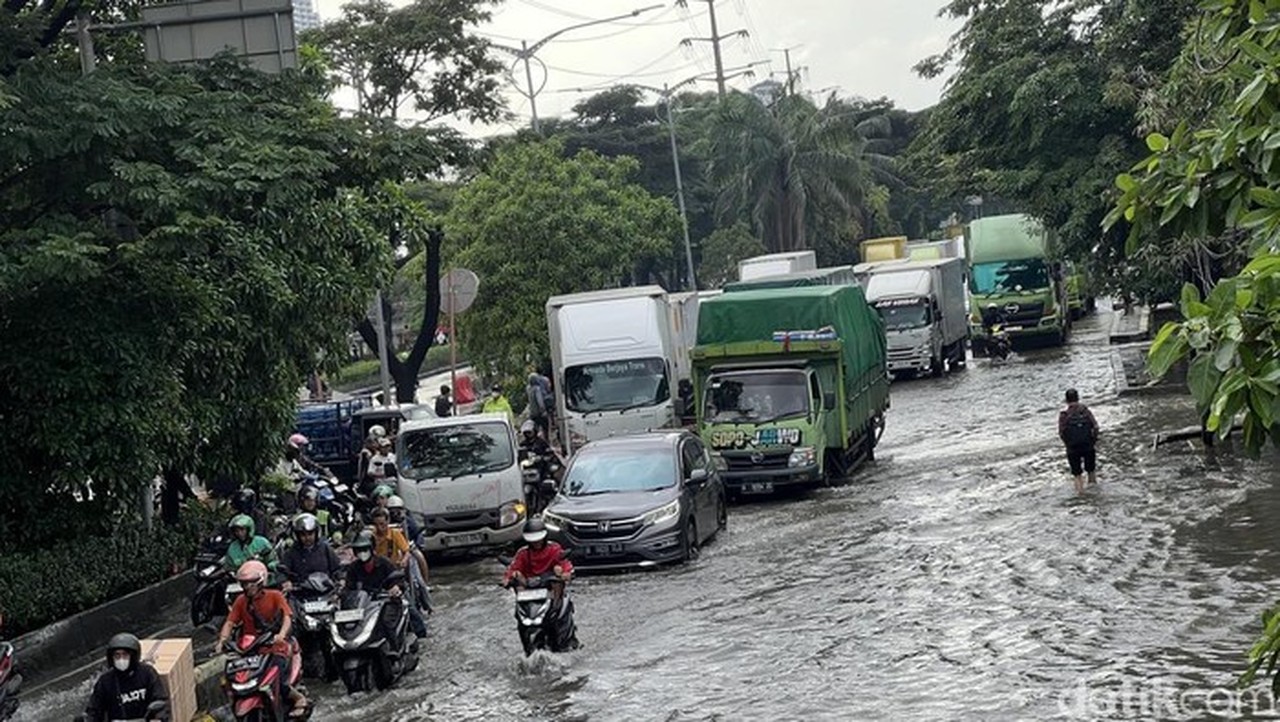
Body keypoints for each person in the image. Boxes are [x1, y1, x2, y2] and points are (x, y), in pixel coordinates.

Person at [215, 561, 308, 718]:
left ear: (260, 582)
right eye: (244, 584)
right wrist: (222, 640)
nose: (248, 587)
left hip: (275, 646)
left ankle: (298, 697)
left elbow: (287, 617)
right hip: (249, 650)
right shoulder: (240, 601)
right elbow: (230, 622)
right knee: (229, 677)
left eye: (251, 583)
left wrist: (281, 635)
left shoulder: (275, 596)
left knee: (280, 678)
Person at [81, 633, 170, 722]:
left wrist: (159, 718)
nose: (121, 659)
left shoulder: (147, 673)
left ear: (133, 656)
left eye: (125, 655)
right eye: (117, 655)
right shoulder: (106, 681)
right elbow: (94, 710)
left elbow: (160, 699)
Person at [503, 518, 573, 589]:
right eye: (533, 541)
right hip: (528, 583)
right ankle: (523, 598)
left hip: (549, 582)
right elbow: (513, 568)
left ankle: (557, 599)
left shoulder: (554, 549)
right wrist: (508, 578)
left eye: (539, 540)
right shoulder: (523, 553)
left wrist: (566, 572)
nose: (536, 543)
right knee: (517, 576)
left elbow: (564, 562)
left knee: (557, 570)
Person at [279, 514, 341, 593]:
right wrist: (285, 581)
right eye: (303, 535)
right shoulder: (291, 552)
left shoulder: (325, 548)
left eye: (310, 534)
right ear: (297, 536)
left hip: (326, 592)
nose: (307, 538)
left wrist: (341, 579)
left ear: (316, 533)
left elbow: (337, 568)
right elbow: (282, 571)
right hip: (300, 594)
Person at [1058, 388, 1100, 494]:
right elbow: (1095, 427)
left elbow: (1061, 432)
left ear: (1066, 401)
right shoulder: (1086, 412)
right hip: (1088, 446)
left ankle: (1081, 495)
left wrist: (1068, 444)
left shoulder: (1064, 415)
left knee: (1077, 475)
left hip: (1072, 448)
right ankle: (1094, 494)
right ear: (1078, 398)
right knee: (1091, 471)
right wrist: (1093, 441)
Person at [526, 371, 552, 439]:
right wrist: (543, 411)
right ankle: (546, 442)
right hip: (539, 413)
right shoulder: (537, 389)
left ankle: (534, 441)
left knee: (534, 430)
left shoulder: (528, 389)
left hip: (532, 414)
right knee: (545, 428)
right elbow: (540, 401)